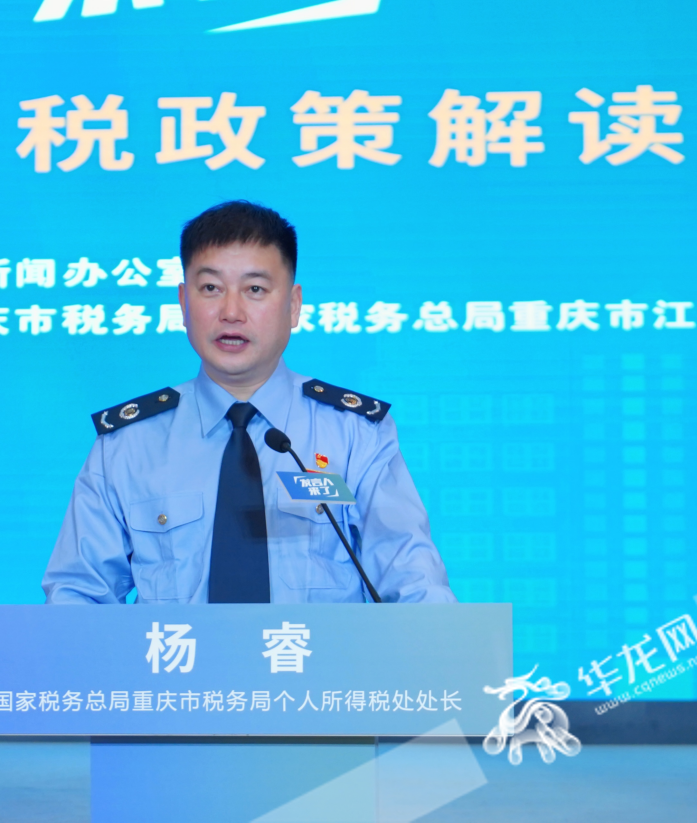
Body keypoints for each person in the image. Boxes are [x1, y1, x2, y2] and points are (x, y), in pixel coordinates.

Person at [42, 201, 456, 604]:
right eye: (211, 289)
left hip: (311, 654)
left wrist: (443, 641)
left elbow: (412, 579)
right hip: (178, 654)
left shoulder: (354, 434)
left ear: (293, 305)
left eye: (255, 289)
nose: (231, 312)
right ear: (183, 303)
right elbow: (77, 596)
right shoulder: (127, 445)